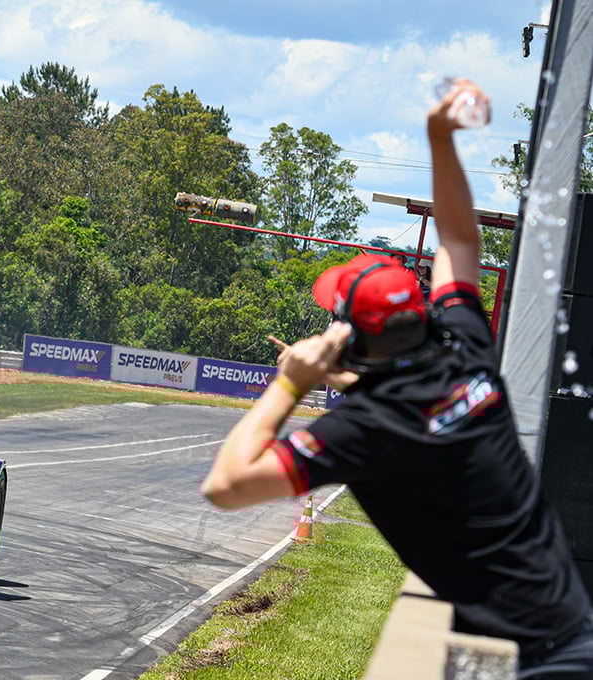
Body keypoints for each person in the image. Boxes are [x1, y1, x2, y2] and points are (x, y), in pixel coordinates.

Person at [202, 79, 593, 678]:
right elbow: (461, 238)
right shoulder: (464, 346)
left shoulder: (362, 432)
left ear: (351, 336)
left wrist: (291, 385)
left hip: (538, 661)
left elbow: (226, 486)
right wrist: (440, 138)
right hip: (573, 633)